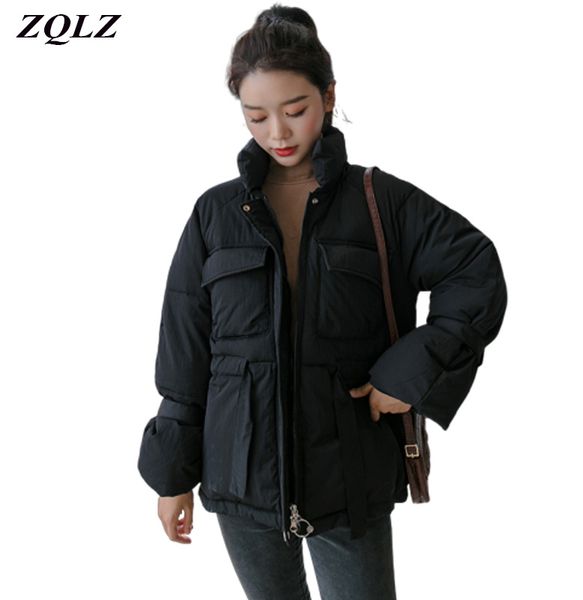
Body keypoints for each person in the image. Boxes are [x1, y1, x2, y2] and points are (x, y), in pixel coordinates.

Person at [137, 4, 508, 599]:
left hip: (349, 474)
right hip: (239, 478)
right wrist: (171, 476)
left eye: (295, 111)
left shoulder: (381, 202)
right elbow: (184, 355)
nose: (277, 134)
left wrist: (407, 375)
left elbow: (475, 271)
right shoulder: (214, 214)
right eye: (256, 116)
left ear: (329, 96)